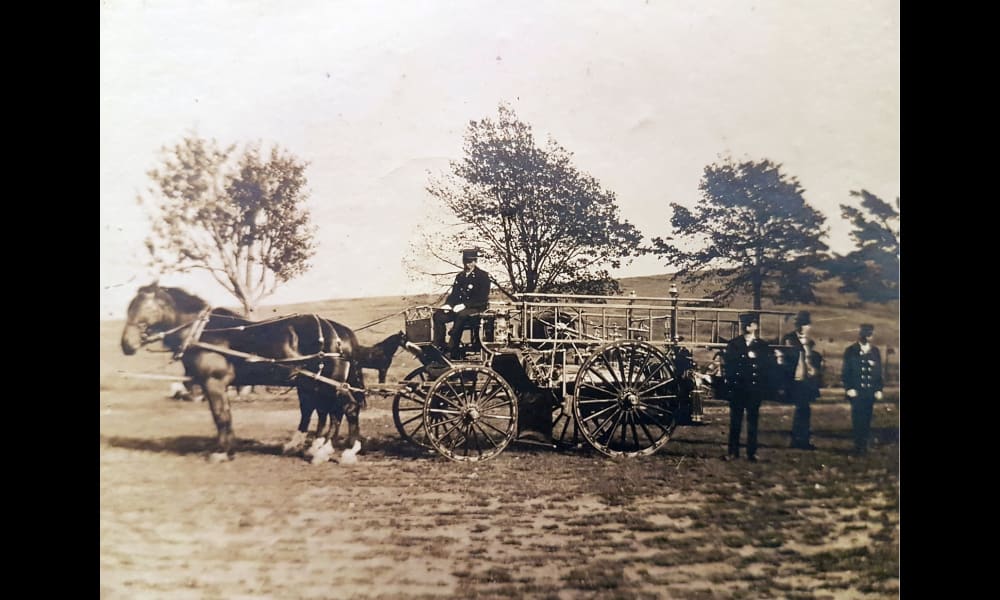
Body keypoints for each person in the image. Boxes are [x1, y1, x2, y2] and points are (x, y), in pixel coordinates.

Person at [722, 313, 776, 462]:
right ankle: (733, 452)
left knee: (753, 423)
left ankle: (752, 453)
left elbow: (767, 369)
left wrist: (764, 388)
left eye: (750, 323)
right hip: (738, 389)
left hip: (754, 390)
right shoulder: (733, 344)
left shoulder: (762, 346)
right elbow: (729, 367)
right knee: (735, 422)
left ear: (755, 326)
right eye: (745, 323)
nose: (747, 326)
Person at [433, 248, 491, 359]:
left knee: (462, 315)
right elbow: (454, 294)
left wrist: (465, 305)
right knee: (438, 315)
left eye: (470, 261)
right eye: (465, 261)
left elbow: (482, 298)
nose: (467, 264)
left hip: (476, 308)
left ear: (475, 261)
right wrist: (448, 304)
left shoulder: (482, 276)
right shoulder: (460, 277)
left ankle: (452, 347)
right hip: (458, 308)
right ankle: (440, 344)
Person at [781, 311, 824, 450]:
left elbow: (813, 360)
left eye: (805, 325)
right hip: (795, 380)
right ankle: (798, 440)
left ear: (809, 327)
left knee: (805, 409)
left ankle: (802, 440)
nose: (802, 328)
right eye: (800, 325)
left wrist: (814, 370)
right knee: (802, 408)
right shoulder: (789, 339)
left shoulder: (810, 343)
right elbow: (785, 360)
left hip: (807, 381)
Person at [841, 323, 884, 455]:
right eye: (865, 334)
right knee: (857, 418)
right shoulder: (851, 351)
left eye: (870, 334)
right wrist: (849, 388)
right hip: (856, 391)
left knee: (867, 418)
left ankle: (864, 445)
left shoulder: (875, 351)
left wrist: (879, 389)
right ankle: (858, 446)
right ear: (860, 334)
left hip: (870, 391)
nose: (868, 337)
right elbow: (846, 372)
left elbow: (878, 373)